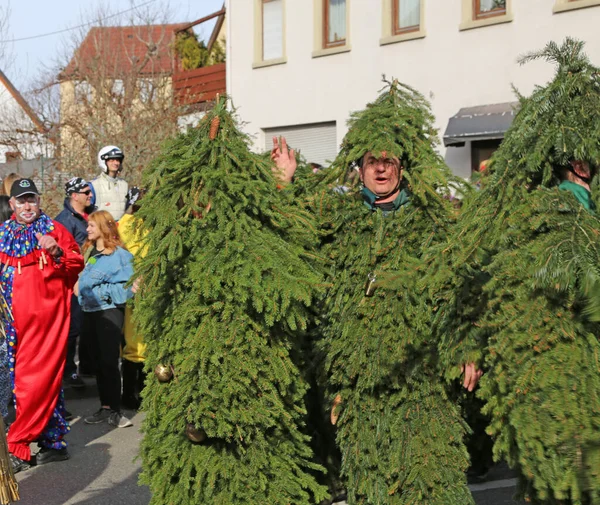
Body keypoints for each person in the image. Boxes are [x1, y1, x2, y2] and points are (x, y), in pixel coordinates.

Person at [272, 81, 481, 505]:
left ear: (403, 167)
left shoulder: (431, 221)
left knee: (431, 483)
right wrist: (285, 184)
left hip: (421, 379)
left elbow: (457, 290)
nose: (381, 170)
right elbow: (293, 237)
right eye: (372, 162)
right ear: (360, 168)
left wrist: (467, 347)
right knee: (371, 486)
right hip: (358, 386)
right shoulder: (339, 219)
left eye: (389, 162)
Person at [0, 178, 84, 473]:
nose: (27, 206)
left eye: (31, 199)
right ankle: (53, 442)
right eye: (21, 200)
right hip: (10, 327)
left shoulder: (54, 230)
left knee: (31, 384)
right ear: (11, 204)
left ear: (39, 201)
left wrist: (56, 251)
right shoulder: (2, 234)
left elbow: (76, 264)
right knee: (36, 384)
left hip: (45, 324)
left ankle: (17, 446)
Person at [79, 210, 135, 428]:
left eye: (92, 226)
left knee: (109, 362)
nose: (87, 229)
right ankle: (105, 407)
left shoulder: (121, 256)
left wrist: (101, 292)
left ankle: (116, 410)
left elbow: (128, 288)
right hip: (90, 311)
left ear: (103, 227)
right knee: (98, 363)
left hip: (109, 312)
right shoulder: (94, 253)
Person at [55, 177, 95, 389]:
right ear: (74, 195)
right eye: (86, 192)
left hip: (93, 281)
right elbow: (62, 256)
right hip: (74, 284)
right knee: (72, 329)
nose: (90, 195)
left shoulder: (89, 214)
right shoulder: (64, 221)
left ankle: (87, 366)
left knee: (89, 327)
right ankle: (68, 371)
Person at [118, 188, 147, 410]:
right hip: (135, 286)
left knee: (143, 339)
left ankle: (142, 390)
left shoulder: (149, 223)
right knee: (134, 339)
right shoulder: (126, 224)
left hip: (149, 285)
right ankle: (129, 393)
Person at [90, 146, 128, 221]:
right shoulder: (93, 185)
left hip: (120, 229)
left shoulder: (124, 184)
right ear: (104, 161)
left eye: (118, 160)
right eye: (112, 160)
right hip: (102, 229)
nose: (116, 163)